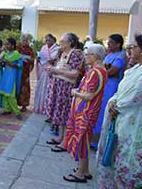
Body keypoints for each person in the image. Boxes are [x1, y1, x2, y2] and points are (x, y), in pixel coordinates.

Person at [96, 34, 142, 189]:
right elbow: (121, 92)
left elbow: (133, 97)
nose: (130, 49)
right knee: (115, 157)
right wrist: (113, 102)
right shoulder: (135, 69)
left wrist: (117, 105)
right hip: (121, 122)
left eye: (134, 46)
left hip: (134, 125)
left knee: (129, 163)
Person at [62, 44, 108, 183]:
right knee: (85, 140)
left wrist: (75, 92)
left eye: (87, 54)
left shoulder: (95, 72)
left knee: (82, 140)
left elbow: (89, 95)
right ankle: (85, 170)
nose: (86, 57)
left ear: (95, 56)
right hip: (89, 111)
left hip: (86, 112)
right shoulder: (101, 70)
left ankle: (80, 173)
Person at [45, 33, 84, 151]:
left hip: (66, 88)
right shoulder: (63, 53)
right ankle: (60, 137)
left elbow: (75, 73)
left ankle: (66, 142)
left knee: (66, 113)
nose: (60, 43)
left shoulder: (75, 54)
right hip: (59, 86)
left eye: (62, 41)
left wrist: (55, 70)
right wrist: (53, 71)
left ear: (70, 42)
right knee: (60, 113)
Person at [91, 34, 126, 149]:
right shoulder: (109, 55)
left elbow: (111, 71)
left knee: (104, 112)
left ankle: (100, 142)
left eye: (111, 42)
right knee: (98, 109)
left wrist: (99, 71)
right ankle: (94, 139)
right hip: (104, 85)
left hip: (112, 87)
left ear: (118, 44)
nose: (108, 45)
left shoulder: (120, 56)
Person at [33, 34, 59, 114]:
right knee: (41, 88)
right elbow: (40, 56)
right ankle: (39, 106)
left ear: (53, 40)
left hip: (50, 71)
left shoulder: (56, 49)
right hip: (42, 70)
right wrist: (38, 58)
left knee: (48, 89)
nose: (47, 42)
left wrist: (48, 59)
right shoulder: (44, 47)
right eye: (46, 40)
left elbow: (53, 59)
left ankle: (47, 108)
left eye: (49, 40)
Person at [0, 38, 23, 120]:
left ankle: (17, 112)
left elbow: (20, 65)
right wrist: (2, 63)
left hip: (12, 76)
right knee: (5, 93)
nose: (6, 46)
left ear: (13, 46)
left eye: (8, 44)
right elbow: (4, 64)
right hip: (6, 75)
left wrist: (13, 65)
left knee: (11, 95)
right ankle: (7, 109)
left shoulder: (17, 54)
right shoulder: (6, 54)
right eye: (6, 44)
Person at [17, 34, 35, 112]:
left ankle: (24, 105)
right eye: (23, 40)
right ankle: (14, 104)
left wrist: (30, 60)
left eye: (26, 40)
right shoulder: (17, 48)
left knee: (25, 88)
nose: (25, 42)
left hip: (26, 71)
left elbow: (33, 59)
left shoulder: (30, 49)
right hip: (17, 69)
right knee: (17, 86)